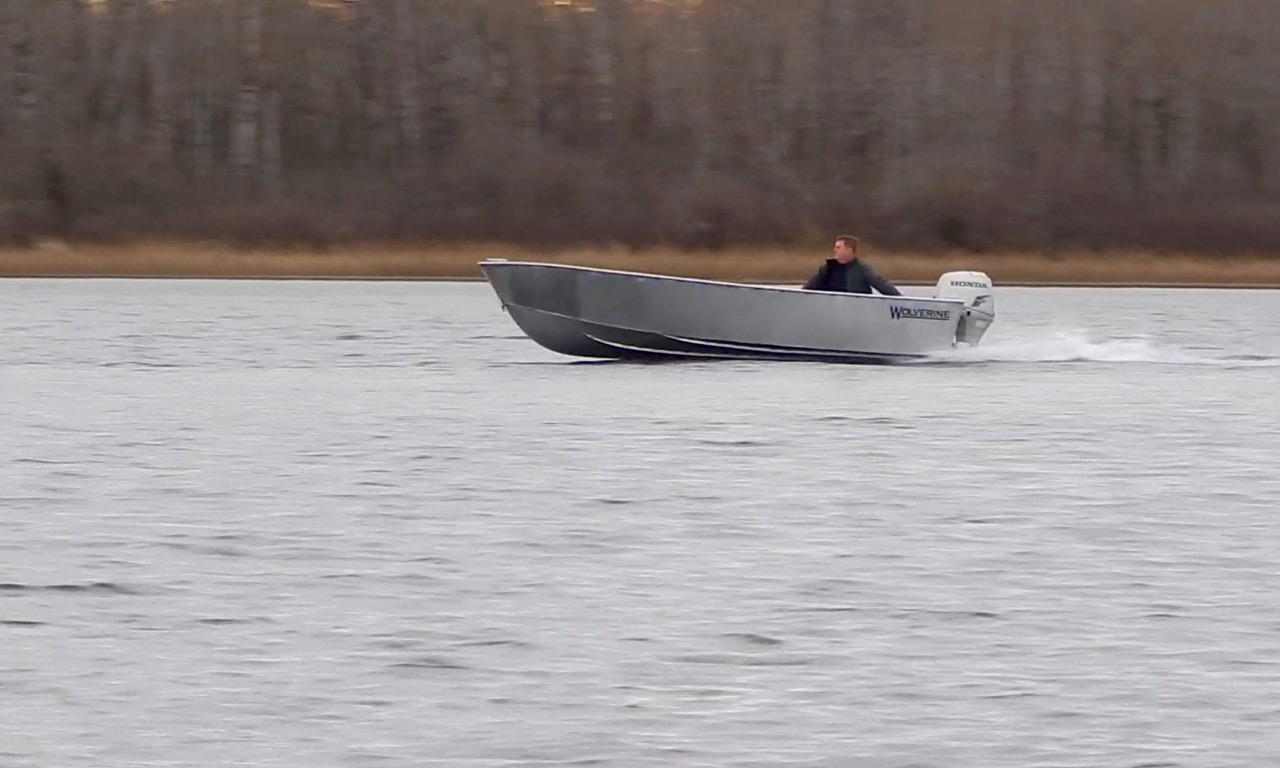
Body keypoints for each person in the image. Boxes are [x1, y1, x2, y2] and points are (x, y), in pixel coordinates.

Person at [802, 235, 901, 295]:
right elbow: (808, 288)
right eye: (835, 247)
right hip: (829, 307)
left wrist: (900, 300)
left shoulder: (862, 269)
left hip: (853, 308)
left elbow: (880, 284)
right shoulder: (827, 268)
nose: (835, 250)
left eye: (838, 247)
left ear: (849, 250)